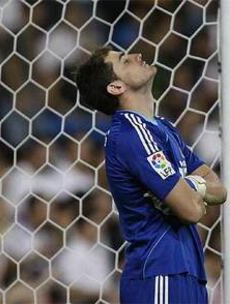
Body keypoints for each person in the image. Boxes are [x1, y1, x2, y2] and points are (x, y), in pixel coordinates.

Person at [75, 47, 227, 303]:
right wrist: (192, 197)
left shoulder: (164, 129)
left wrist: (188, 187)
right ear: (115, 87)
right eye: (124, 61)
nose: (136, 56)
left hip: (188, 272)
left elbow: (219, 190)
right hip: (159, 274)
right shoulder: (130, 135)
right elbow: (192, 210)